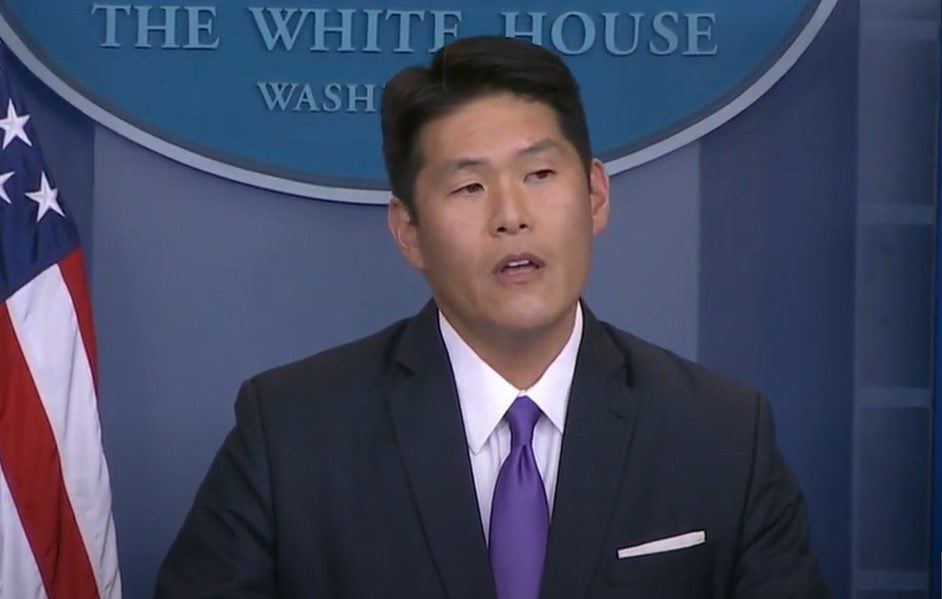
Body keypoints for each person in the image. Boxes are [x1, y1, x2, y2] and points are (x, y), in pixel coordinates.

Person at [155, 35, 828, 598]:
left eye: (539, 175)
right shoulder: (293, 435)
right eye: (469, 186)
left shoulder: (720, 436)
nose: (511, 214)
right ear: (409, 232)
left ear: (595, 196)